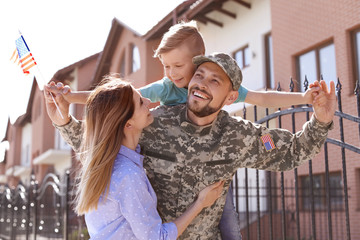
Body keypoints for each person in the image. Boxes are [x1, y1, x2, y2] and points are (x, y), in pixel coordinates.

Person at [54, 21, 319, 240]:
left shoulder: (239, 136)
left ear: (230, 96)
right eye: (200, 75)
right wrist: (65, 115)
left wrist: (317, 113)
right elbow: (106, 131)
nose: (201, 83)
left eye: (214, 80)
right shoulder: (151, 118)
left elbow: (292, 150)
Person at [47, 77, 224, 239]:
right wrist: (200, 203)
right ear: (128, 124)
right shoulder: (127, 175)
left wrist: (63, 117)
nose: (148, 102)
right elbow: (156, 238)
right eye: (140, 102)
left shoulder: (108, 165)